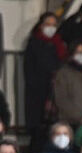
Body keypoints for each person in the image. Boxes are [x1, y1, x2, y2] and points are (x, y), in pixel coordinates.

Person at [24, 13, 67, 146]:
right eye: (48, 24)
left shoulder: (59, 44)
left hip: (55, 93)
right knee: (38, 131)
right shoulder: (34, 43)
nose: (51, 28)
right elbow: (30, 71)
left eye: (54, 25)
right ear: (41, 25)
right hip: (38, 93)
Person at [51, 41, 82, 128]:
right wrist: (80, 117)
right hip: (70, 123)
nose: (81, 55)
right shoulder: (63, 73)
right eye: (78, 52)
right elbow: (62, 99)